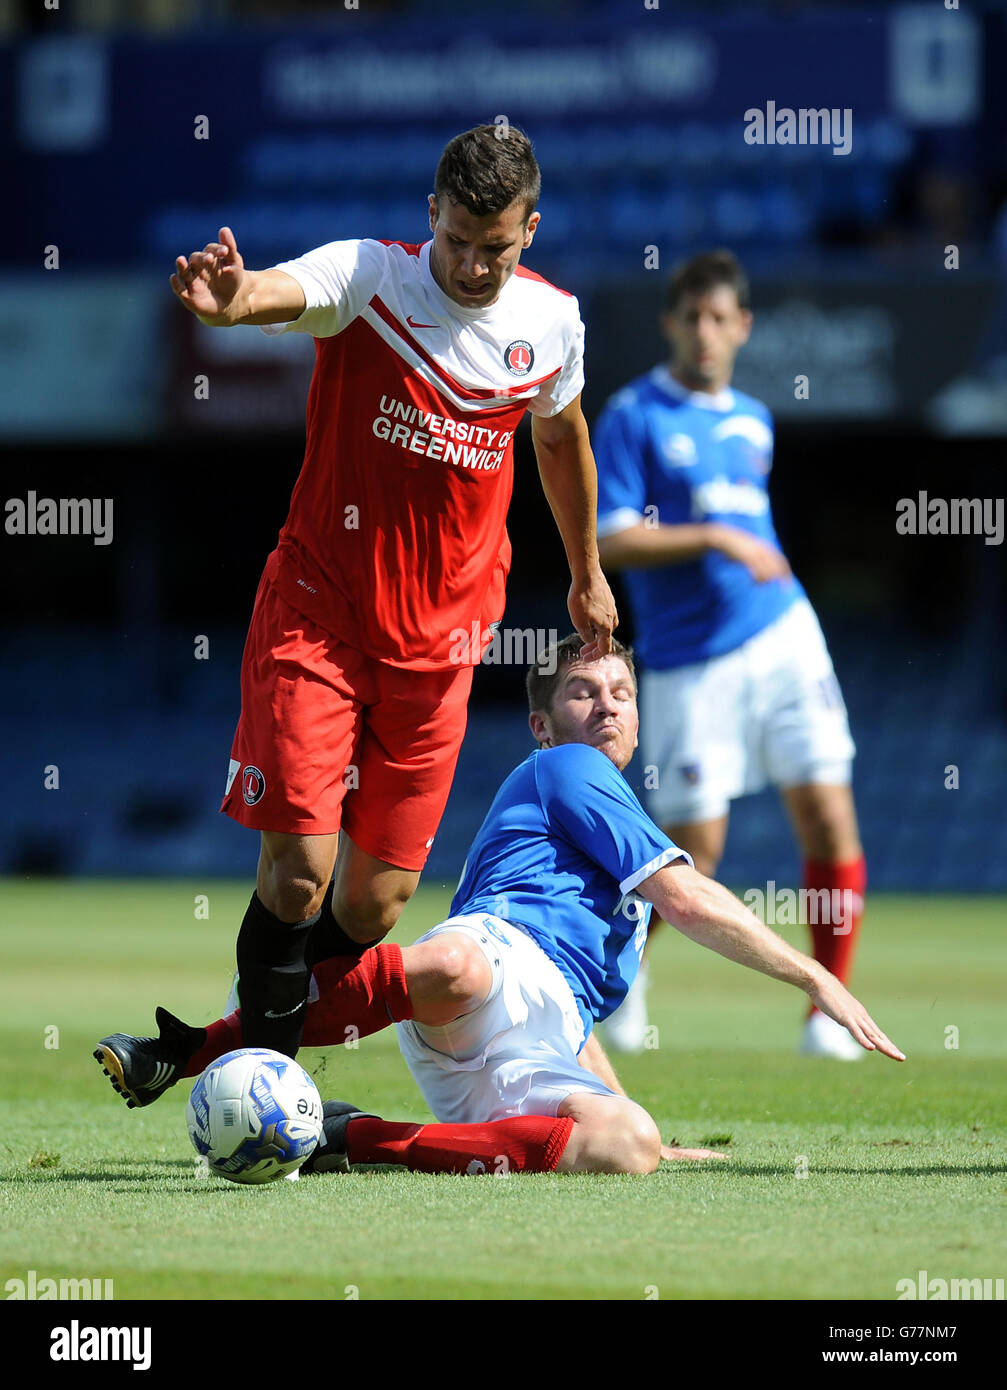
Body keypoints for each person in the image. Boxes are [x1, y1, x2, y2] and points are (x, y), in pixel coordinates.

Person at [93, 637, 903, 1178]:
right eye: (583, 692)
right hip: (488, 965)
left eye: (622, 691)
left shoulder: (611, 822)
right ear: (542, 726)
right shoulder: (566, 770)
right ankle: (192, 1047)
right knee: (456, 963)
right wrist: (812, 978)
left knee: (630, 1147)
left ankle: (351, 1136)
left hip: (535, 1040)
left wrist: (631, 1118)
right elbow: (683, 897)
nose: (609, 705)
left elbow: (575, 1021)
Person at [159, 124, 617, 1065]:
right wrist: (233, 299)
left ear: (529, 229)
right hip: (318, 617)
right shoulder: (371, 279)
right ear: (431, 217)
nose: (474, 265)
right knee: (298, 877)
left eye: (495, 246)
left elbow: (560, 439)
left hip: (441, 649)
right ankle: (273, 1097)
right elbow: (280, 291)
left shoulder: (552, 325)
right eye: (457, 239)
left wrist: (585, 569)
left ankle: (224, 1039)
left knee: (372, 905)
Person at [592, 250, 866, 1060]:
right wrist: (712, 537)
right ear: (669, 323)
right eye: (691, 318)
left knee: (828, 816)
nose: (704, 333)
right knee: (693, 848)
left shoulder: (754, 417)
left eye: (720, 319)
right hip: (688, 663)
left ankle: (826, 1013)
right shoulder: (632, 414)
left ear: (742, 327)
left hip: (782, 634)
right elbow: (611, 538)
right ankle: (623, 979)